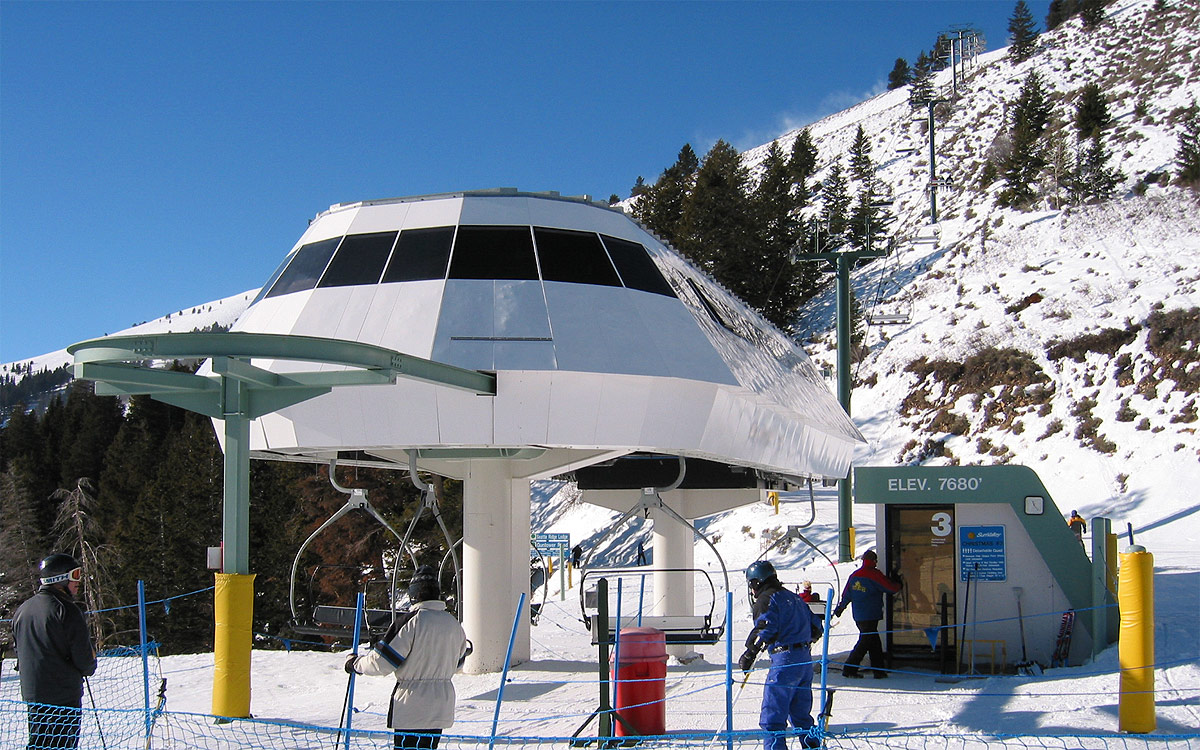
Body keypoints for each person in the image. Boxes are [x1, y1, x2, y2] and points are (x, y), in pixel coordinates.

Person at [346, 565, 470, 750]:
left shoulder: (412, 621)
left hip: (412, 705)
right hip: (441, 705)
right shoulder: (453, 624)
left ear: (414, 594)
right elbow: (458, 664)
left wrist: (356, 664)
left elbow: (382, 662)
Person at [12, 553, 97, 750]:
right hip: (63, 697)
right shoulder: (66, 609)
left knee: (39, 744)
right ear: (60, 578)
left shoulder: (22, 610)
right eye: (75, 575)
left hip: (35, 696)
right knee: (62, 745)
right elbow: (84, 660)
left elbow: (19, 650)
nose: (78, 582)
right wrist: (90, 663)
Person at [738, 560, 822, 750]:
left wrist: (750, 653)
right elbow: (817, 627)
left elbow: (765, 628)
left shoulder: (766, 599)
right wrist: (800, 637)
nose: (752, 590)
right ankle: (812, 747)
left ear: (757, 582)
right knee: (801, 715)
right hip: (804, 660)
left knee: (773, 715)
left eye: (752, 584)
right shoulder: (794, 598)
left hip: (784, 660)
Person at [833, 550, 901, 679]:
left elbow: (847, 594)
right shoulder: (874, 575)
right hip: (871, 614)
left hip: (858, 615)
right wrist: (898, 583)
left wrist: (841, 607)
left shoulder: (855, 575)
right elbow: (890, 588)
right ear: (874, 561)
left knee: (873, 642)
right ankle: (850, 668)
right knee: (865, 642)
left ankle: (878, 670)